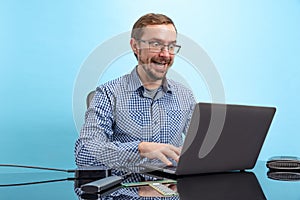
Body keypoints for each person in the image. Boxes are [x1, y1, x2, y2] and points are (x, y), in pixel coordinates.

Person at [75, 13, 196, 171]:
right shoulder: (108, 94)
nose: (165, 54)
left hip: (172, 190)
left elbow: (204, 147)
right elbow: (84, 154)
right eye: (155, 44)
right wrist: (140, 149)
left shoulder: (185, 95)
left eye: (171, 46)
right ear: (135, 46)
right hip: (124, 190)